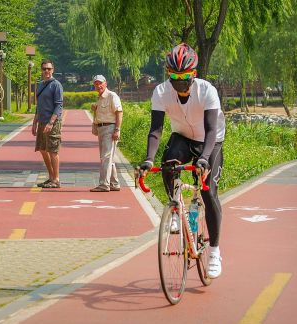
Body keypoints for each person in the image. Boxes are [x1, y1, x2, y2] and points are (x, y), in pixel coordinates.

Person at [139, 43, 226, 278]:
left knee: (209, 193)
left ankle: (215, 252)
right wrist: (148, 160)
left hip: (210, 141)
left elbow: (210, 130)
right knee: (168, 164)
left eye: (185, 77)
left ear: (194, 74)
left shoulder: (207, 91)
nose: (179, 81)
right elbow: (155, 130)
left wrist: (205, 159)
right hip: (183, 137)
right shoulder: (160, 92)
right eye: (174, 76)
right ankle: (175, 209)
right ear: (169, 75)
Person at [32, 59, 64, 188]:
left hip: (52, 122)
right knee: (43, 149)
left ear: (53, 70)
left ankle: (56, 179)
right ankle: (51, 177)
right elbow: (38, 106)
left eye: (49, 69)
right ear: (41, 70)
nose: (46, 71)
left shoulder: (56, 85)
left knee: (53, 150)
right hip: (42, 121)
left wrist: (51, 122)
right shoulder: (40, 85)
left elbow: (58, 105)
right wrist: (35, 122)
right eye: (44, 69)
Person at [90, 75, 123, 192]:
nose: (98, 86)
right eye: (96, 84)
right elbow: (101, 115)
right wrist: (94, 125)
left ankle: (104, 184)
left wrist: (117, 130)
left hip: (110, 128)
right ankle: (114, 183)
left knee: (106, 157)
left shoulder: (112, 96)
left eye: (100, 83)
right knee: (108, 158)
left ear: (105, 83)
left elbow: (119, 113)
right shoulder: (100, 98)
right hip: (101, 129)